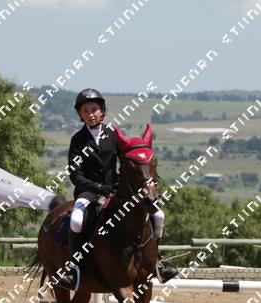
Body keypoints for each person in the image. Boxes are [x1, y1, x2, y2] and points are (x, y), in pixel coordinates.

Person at [57, 88, 177, 288]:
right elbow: (75, 175)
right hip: (88, 193)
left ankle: (157, 262)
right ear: (80, 115)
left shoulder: (112, 135)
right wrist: (98, 187)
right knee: (77, 219)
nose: (90, 114)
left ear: (102, 112)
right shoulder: (77, 140)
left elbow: (128, 161)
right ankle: (73, 269)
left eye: (94, 109)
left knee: (159, 215)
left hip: (116, 190)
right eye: (85, 111)